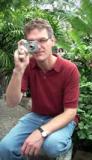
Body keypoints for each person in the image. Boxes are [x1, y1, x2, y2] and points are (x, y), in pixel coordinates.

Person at [0, 18, 80, 160]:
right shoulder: (28, 65)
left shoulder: (69, 69)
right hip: (37, 116)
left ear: (53, 40)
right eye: (32, 42)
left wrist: (41, 132)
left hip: (62, 118)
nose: (38, 46)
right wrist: (18, 69)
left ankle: (66, 149)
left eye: (43, 40)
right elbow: (11, 103)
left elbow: (70, 113)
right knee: (5, 148)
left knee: (53, 145)